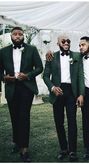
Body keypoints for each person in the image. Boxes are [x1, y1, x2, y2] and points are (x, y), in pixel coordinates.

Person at [0, 26, 43, 162]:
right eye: (15, 34)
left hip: (26, 88)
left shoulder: (32, 49)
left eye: (20, 34)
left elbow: (39, 67)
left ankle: (24, 148)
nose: (17, 36)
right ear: (11, 36)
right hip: (11, 88)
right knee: (14, 116)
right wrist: (3, 78)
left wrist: (28, 75)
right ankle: (16, 142)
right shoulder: (3, 51)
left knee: (24, 116)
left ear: (23, 36)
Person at [43, 35, 84, 162]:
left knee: (72, 122)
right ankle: (63, 148)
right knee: (59, 122)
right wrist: (52, 88)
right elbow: (45, 76)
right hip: (57, 92)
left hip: (71, 92)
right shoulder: (52, 56)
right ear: (58, 43)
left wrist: (80, 94)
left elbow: (87, 53)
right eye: (63, 41)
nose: (66, 43)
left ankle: (72, 151)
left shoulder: (77, 56)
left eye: (68, 41)